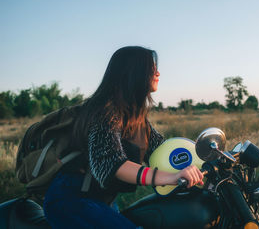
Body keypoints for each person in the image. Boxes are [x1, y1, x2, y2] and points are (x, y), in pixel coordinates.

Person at [43, 46, 204, 228]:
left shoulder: (137, 118)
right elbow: (110, 164)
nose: (158, 73)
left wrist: (202, 154)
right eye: (151, 69)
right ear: (133, 72)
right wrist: (170, 177)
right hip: (72, 200)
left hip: (102, 200)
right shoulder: (106, 111)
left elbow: (163, 150)